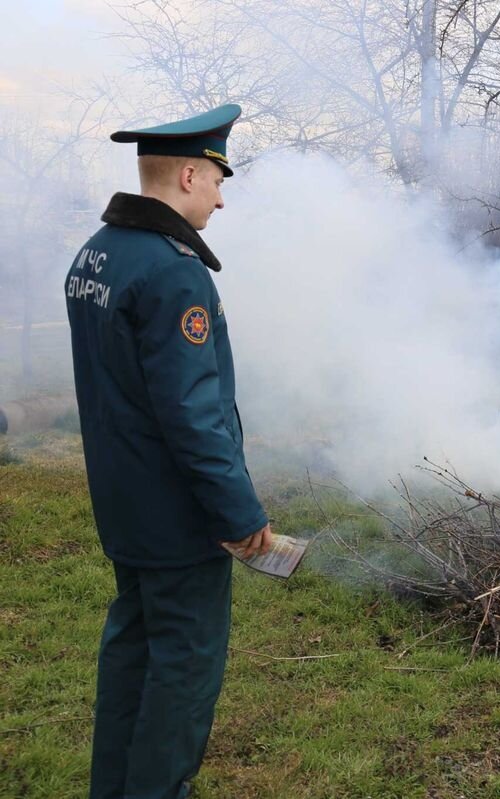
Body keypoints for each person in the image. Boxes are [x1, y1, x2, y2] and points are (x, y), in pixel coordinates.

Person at [65, 104, 272, 799]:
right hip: (178, 524)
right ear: (189, 173)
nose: (221, 192)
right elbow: (193, 416)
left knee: (131, 658)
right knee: (181, 676)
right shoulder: (175, 274)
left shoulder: (96, 253)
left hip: (124, 512)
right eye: (218, 176)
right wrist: (240, 512)